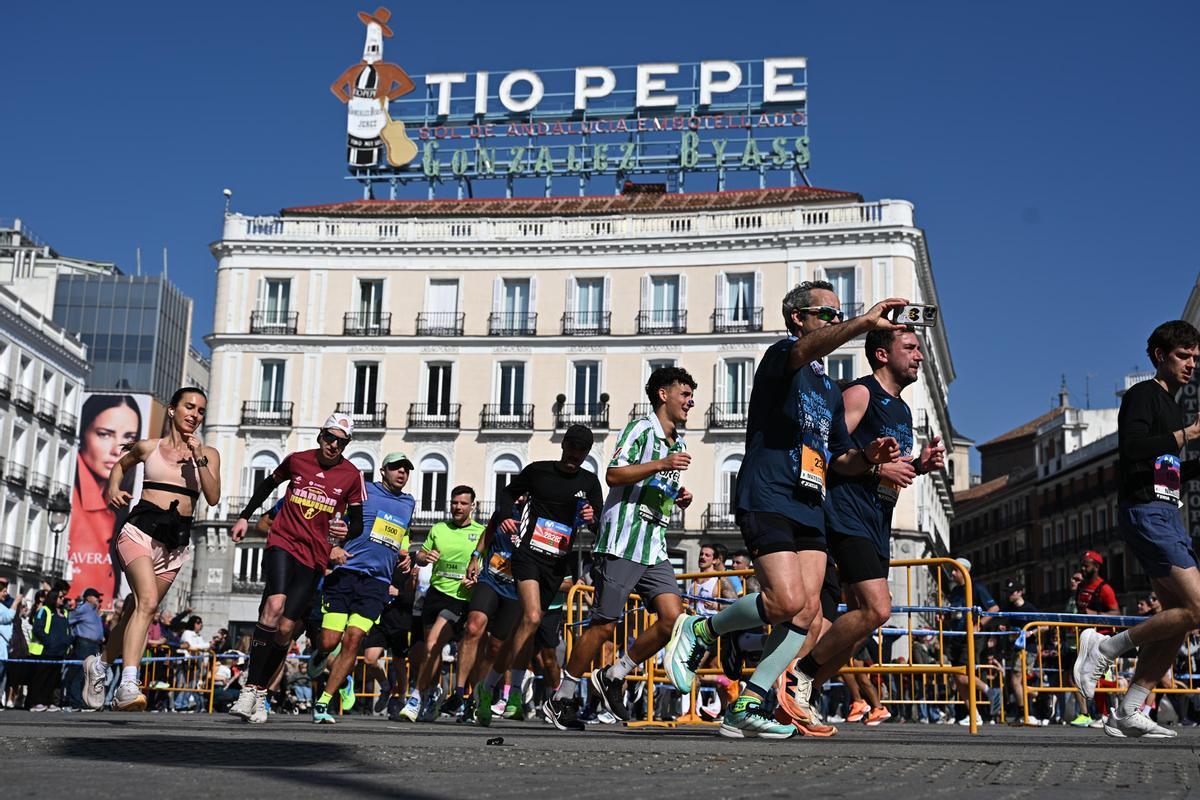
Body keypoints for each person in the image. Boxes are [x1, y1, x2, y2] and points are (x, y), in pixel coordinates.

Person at [664, 281, 906, 739]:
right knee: (786, 601)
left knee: (807, 614)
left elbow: (840, 457)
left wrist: (869, 457)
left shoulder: (831, 389)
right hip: (769, 494)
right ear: (798, 317)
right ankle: (702, 630)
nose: (836, 321)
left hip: (810, 502)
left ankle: (749, 702)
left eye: (840, 315)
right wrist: (862, 323)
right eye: (827, 314)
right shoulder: (782, 355)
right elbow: (805, 350)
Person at [783, 328, 945, 732]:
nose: (919, 356)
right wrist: (874, 467)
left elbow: (890, 471)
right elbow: (828, 452)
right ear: (882, 354)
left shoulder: (902, 410)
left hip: (877, 520)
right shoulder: (861, 393)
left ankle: (800, 695)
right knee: (877, 608)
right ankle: (799, 676)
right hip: (845, 514)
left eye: (919, 349)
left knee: (856, 623)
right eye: (910, 348)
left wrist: (919, 465)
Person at [549, 367, 696, 730]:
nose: (690, 402)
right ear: (663, 394)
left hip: (654, 545)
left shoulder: (678, 445)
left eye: (691, 396)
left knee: (673, 620)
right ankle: (562, 696)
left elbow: (655, 485)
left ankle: (615, 674)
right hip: (622, 541)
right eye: (685, 394)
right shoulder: (640, 429)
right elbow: (614, 474)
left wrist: (676, 495)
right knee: (603, 625)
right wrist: (661, 464)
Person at [1075, 320, 1200, 739]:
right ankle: (1104, 647)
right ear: (1160, 356)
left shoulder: (1173, 405)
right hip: (1147, 512)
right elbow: (1131, 449)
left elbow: (1165, 468)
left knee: (1179, 618)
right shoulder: (1143, 395)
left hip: (1166, 512)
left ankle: (1129, 709)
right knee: (1198, 608)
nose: (1191, 364)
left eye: (1195, 357)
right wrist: (1189, 433)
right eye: (1183, 356)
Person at [80, 387, 220, 712]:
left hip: (175, 545)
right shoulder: (148, 447)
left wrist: (199, 457)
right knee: (148, 603)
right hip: (139, 532)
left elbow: (213, 497)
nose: (194, 415)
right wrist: (113, 489)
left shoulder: (208, 454)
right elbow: (120, 466)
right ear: (172, 410)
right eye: (189, 407)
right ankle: (128, 684)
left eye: (200, 410)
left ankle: (99, 665)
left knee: (136, 611)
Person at [228, 412, 365, 724]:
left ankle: (261, 691)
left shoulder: (351, 475)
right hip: (283, 541)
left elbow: (358, 522)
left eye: (341, 442)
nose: (333, 445)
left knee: (286, 629)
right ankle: (248, 689)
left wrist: (347, 532)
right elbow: (267, 484)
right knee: (274, 606)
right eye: (330, 437)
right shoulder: (298, 460)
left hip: (315, 554)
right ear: (320, 435)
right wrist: (244, 516)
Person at [468, 425, 604, 728]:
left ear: (586, 453)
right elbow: (507, 493)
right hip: (528, 555)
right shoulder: (538, 471)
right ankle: (505, 689)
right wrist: (506, 516)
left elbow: (600, 525)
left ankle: (489, 687)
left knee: (525, 629)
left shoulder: (589, 482)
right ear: (564, 445)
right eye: (572, 446)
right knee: (531, 618)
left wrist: (592, 518)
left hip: (556, 564)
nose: (575, 453)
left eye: (582, 450)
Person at [310, 452, 415, 724]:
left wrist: (404, 554)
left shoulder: (409, 502)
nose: (401, 473)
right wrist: (332, 545)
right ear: (383, 471)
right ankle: (322, 653)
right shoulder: (363, 489)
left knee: (354, 638)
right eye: (396, 468)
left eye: (406, 469)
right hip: (346, 572)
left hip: (377, 582)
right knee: (330, 640)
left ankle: (323, 702)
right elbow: (333, 515)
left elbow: (402, 533)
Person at [441, 497, 525, 720]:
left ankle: (479, 693)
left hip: (515, 589)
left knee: (497, 647)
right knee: (473, 627)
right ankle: (459, 692)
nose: (519, 497)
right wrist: (475, 557)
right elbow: (488, 533)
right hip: (490, 579)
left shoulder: (539, 516)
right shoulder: (504, 510)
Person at [408, 485, 483, 721]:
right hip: (436, 594)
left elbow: (488, 564)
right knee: (432, 650)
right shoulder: (438, 528)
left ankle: (417, 698)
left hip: (462, 598)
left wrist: (478, 577)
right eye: (454, 502)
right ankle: (432, 693)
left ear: (472, 506)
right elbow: (421, 556)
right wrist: (424, 557)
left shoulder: (481, 533)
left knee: (447, 646)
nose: (458, 507)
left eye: (463, 503)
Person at [68, 395, 142, 601]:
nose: (116, 450)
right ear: (83, 433)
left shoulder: (120, 501)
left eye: (128, 439)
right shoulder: (72, 501)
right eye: (104, 434)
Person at [28, 590, 70, 711]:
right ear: (53, 597)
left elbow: (68, 630)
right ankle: (35, 702)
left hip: (59, 652)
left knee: (54, 679)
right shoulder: (44, 610)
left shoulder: (65, 612)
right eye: (60, 597)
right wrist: (49, 642)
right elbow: (37, 629)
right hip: (44, 651)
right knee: (41, 678)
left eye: (63, 597)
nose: (62, 599)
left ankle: (48, 701)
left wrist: (67, 641)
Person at [65, 587, 105, 709]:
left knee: (90, 674)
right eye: (96, 596)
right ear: (88, 598)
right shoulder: (83, 609)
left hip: (94, 645)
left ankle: (85, 701)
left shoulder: (94, 610)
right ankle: (75, 701)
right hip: (84, 644)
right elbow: (69, 619)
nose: (98, 599)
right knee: (80, 673)